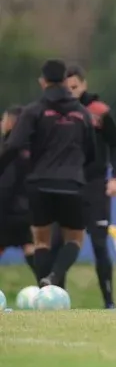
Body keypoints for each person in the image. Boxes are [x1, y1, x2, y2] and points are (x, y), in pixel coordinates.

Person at [0, 59, 96, 288]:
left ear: (42, 82)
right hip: (72, 183)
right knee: (75, 238)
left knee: (41, 241)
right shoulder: (83, 113)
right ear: (64, 80)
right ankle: (54, 276)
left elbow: (14, 146)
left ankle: (46, 288)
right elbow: (91, 152)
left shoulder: (34, 111)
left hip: (40, 184)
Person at [50, 65, 116, 308]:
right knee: (57, 243)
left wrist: (115, 177)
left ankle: (109, 303)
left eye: (74, 87)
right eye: (66, 88)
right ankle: (57, 301)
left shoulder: (99, 112)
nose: (70, 92)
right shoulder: (54, 113)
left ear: (83, 85)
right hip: (66, 185)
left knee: (99, 245)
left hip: (94, 186)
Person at [0, 106, 35, 274]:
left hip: (7, 208)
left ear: (10, 123)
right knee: (28, 245)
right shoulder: (32, 147)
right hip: (26, 208)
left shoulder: (8, 148)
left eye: (3, 119)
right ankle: (46, 281)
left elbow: (7, 182)